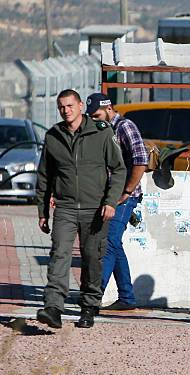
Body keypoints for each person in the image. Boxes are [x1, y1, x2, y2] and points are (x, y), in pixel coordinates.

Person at [35, 89, 126, 329]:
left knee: (92, 258)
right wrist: (42, 211)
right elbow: (44, 175)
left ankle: (88, 306)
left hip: (95, 208)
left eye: (70, 106)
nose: (66, 110)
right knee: (59, 254)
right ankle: (53, 307)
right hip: (65, 207)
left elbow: (118, 169)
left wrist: (110, 201)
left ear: (80, 107)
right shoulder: (53, 136)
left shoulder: (101, 132)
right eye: (62, 107)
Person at [86, 93, 149, 311]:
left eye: (96, 115)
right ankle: (127, 297)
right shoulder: (101, 129)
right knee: (115, 245)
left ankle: (94, 297)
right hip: (109, 196)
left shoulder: (125, 126)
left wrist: (127, 191)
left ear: (109, 108)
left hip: (124, 196)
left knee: (110, 241)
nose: (94, 119)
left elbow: (141, 159)